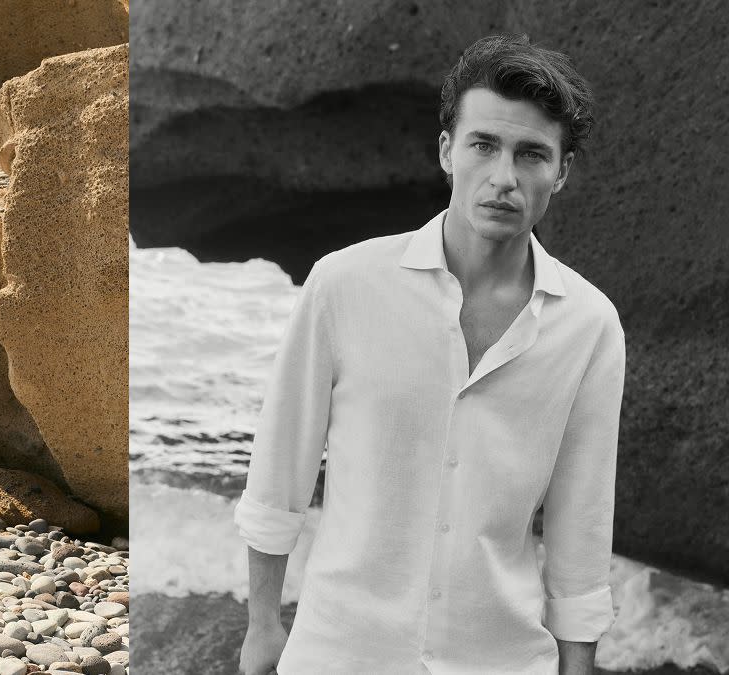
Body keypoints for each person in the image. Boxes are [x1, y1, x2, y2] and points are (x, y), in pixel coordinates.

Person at [235, 34, 624, 675]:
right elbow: (281, 471)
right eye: (483, 145)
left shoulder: (590, 325)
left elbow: (580, 523)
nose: (504, 177)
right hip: (340, 654)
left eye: (532, 154)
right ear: (447, 150)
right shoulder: (344, 284)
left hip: (501, 660)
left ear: (562, 171)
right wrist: (262, 628)